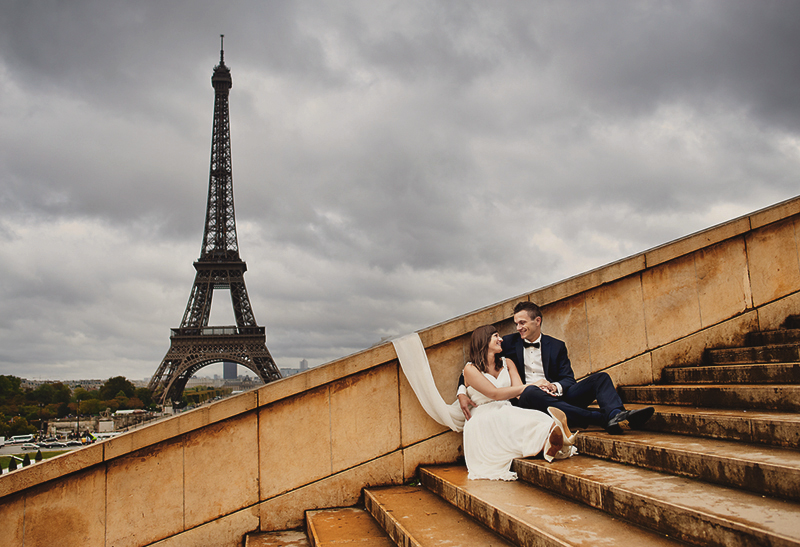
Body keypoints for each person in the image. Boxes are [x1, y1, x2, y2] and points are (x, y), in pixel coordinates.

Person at [459, 301, 654, 434]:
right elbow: (475, 365)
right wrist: (461, 391)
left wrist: (555, 387)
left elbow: (569, 379)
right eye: (516, 323)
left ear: (537, 321)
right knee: (531, 392)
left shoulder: (557, 346)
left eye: (522, 322)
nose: (518, 328)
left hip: (559, 397)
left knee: (601, 378)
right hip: (529, 400)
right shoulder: (508, 343)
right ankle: (603, 417)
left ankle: (614, 414)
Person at [462, 325, 577, 480]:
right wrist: (531, 385)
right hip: (483, 415)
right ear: (483, 340)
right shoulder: (470, 369)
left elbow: (518, 391)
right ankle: (552, 442)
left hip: (506, 408)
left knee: (537, 418)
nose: (501, 339)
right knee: (510, 419)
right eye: (496, 336)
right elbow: (494, 394)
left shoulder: (507, 363)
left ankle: (551, 442)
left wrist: (541, 389)